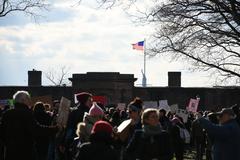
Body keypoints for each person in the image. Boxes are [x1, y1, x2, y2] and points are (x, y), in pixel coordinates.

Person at [0, 90, 57, 160]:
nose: (29, 101)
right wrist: (54, 129)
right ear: (23, 100)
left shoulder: (6, 114)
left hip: (10, 153)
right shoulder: (27, 113)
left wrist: (8, 144)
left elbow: (2, 133)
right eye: (28, 99)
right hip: (25, 152)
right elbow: (36, 130)